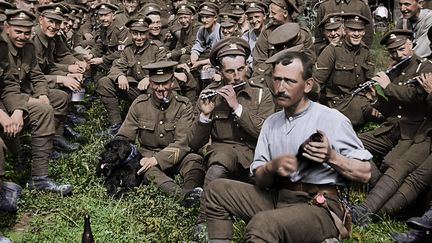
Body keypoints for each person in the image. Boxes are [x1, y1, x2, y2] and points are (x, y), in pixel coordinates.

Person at [204, 51, 372, 242]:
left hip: (318, 205)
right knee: (217, 190)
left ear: (307, 85)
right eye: (277, 80)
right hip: (278, 198)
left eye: (289, 81)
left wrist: (331, 157)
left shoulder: (331, 119)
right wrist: (270, 168)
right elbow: (260, 179)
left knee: (263, 224)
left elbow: (365, 173)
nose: (280, 88)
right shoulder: (271, 123)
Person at [188, 37, 275, 237]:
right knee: (218, 166)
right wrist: (205, 115)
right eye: (230, 71)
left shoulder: (261, 94)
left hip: (253, 155)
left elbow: (265, 133)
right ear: (219, 72)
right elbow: (193, 143)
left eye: (241, 69)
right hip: (223, 154)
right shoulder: (209, 93)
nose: (237, 76)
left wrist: (237, 107)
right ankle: (204, 224)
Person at [350, 29, 432, 225]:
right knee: (354, 143)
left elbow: (413, 97)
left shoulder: (425, 66)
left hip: (416, 131)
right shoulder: (395, 70)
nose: (398, 55)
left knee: (397, 167)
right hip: (400, 128)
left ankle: (376, 213)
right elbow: (393, 109)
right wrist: (376, 97)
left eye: (402, 49)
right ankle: (368, 208)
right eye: (393, 52)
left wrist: (387, 87)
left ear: (411, 44)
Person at [1, 9, 73, 200]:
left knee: (44, 108)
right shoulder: (2, 48)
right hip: (5, 103)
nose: (22, 36)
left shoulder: (28, 48)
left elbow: (28, 79)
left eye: (26, 32)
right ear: (7, 28)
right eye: (18, 31)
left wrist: (41, 95)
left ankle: (39, 177)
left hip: (14, 97)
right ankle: (17, 161)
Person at [115, 61, 205, 207]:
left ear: (172, 81)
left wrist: (158, 159)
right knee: (146, 169)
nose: (161, 88)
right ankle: (181, 196)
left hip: (176, 154)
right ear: (150, 82)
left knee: (194, 160)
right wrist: (122, 155)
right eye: (156, 83)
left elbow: (183, 142)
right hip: (148, 154)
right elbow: (124, 136)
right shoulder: (140, 104)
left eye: (165, 83)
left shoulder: (183, 105)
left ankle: (192, 191)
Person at [96, 18, 166, 136]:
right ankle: (116, 125)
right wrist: (119, 76)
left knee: (154, 88)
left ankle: (151, 126)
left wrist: (150, 78)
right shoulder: (128, 49)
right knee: (105, 82)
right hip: (135, 90)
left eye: (142, 33)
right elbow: (116, 66)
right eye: (135, 33)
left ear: (147, 33)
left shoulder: (156, 47)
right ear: (131, 33)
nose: (139, 37)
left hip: (153, 91)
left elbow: (164, 67)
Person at [313, 13, 381, 127]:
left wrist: (376, 104)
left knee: (387, 116)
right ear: (344, 30)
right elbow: (316, 83)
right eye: (352, 30)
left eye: (360, 30)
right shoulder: (332, 50)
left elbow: (370, 81)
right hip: (338, 106)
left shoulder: (365, 51)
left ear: (364, 32)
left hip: (360, 102)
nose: (356, 34)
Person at [251, 0, 315, 78]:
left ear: (285, 13)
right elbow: (259, 61)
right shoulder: (267, 33)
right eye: (270, 13)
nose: (270, 16)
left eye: (273, 13)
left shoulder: (302, 33)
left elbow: (310, 61)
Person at [190, 2, 221, 70]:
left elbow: (221, 55)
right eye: (202, 17)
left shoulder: (221, 31)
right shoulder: (202, 29)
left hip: (219, 60)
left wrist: (201, 62)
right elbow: (198, 44)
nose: (204, 20)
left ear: (215, 18)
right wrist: (194, 55)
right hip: (207, 56)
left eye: (207, 17)